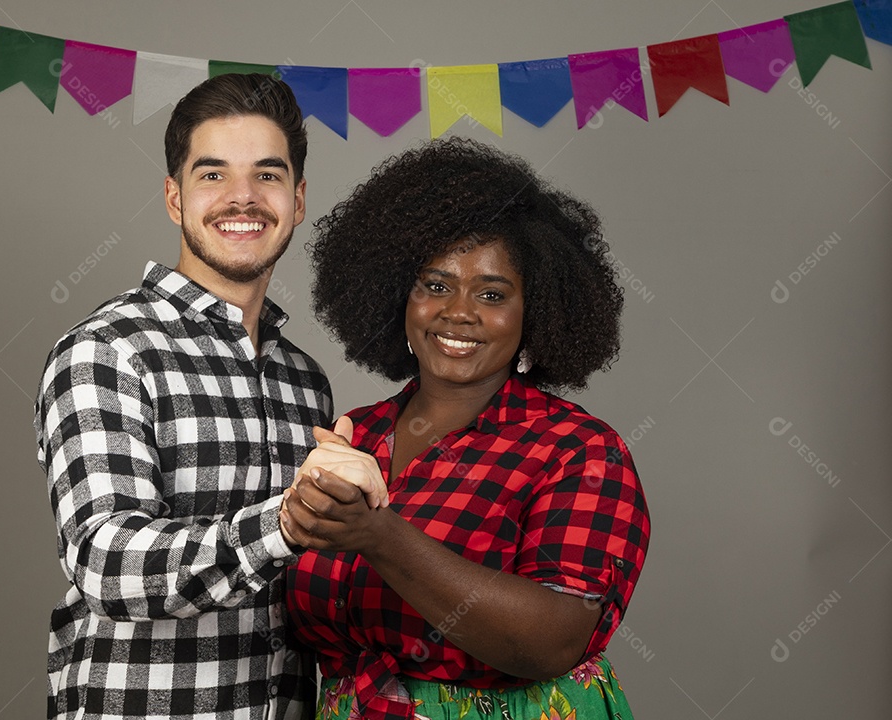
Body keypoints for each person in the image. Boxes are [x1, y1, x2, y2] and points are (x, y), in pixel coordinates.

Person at [34, 73, 383, 720]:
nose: (243, 198)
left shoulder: (303, 379)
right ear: (174, 197)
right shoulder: (108, 353)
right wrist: (284, 523)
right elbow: (108, 563)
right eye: (214, 175)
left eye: (268, 176)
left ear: (299, 199)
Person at [281, 138, 651, 720]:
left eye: (492, 294)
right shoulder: (356, 435)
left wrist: (378, 535)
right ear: (397, 296)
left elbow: (552, 641)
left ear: (537, 313)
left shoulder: (578, 451)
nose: (459, 311)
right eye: (435, 285)